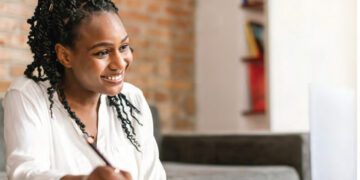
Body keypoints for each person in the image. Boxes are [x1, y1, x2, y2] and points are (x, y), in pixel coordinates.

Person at [3, 0, 166, 179]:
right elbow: (24, 173)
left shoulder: (133, 99)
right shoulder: (27, 95)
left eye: (123, 47)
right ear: (65, 56)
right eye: (102, 52)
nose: (120, 63)